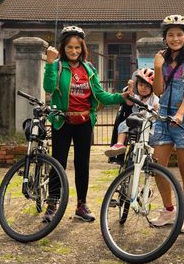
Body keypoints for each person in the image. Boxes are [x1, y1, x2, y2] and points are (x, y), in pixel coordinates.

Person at [43, 25, 132, 223]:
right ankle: (52, 204)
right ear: (63, 48)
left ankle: (81, 205)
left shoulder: (89, 69)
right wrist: (49, 63)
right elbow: (48, 87)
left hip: (84, 121)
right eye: (69, 48)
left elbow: (100, 94)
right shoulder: (57, 66)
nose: (74, 51)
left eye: (77, 48)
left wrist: (121, 97)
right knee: (58, 163)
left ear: (83, 48)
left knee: (82, 164)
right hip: (62, 121)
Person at [148, 14, 184, 233]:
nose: (175, 38)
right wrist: (158, 68)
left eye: (179, 34)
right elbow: (159, 91)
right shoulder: (161, 58)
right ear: (165, 37)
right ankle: (170, 210)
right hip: (163, 116)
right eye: (170, 35)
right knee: (158, 165)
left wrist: (180, 113)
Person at [105, 67, 160, 156]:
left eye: (147, 86)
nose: (143, 88)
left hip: (149, 122)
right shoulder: (136, 97)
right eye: (141, 85)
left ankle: (152, 153)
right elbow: (129, 102)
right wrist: (130, 87)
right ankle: (119, 144)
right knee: (123, 125)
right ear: (136, 86)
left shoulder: (154, 98)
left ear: (152, 89)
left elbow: (157, 109)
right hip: (135, 120)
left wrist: (156, 107)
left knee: (157, 133)